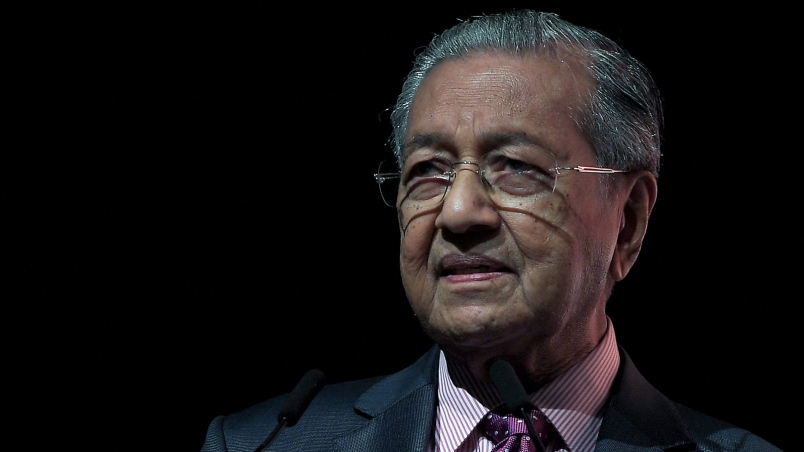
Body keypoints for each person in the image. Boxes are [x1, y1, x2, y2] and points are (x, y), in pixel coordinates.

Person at [200, 10, 780, 451]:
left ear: (627, 222)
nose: (457, 213)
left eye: (517, 168)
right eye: (428, 171)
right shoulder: (263, 444)